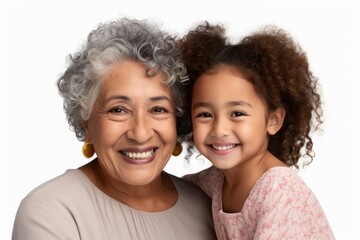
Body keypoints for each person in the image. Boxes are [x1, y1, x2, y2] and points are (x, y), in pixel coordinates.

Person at [12, 17, 216, 240]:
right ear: (86, 123)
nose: (140, 133)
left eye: (158, 109)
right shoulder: (51, 212)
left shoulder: (207, 206)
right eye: (118, 110)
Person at [177, 22, 335, 239]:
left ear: (273, 120)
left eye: (237, 113)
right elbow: (173, 191)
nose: (220, 129)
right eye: (205, 115)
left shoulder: (278, 191)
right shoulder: (216, 180)